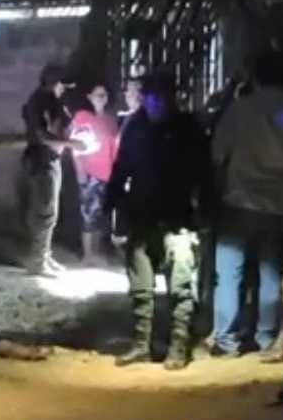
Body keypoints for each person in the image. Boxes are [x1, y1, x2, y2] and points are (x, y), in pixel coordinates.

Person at [210, 51, 283, 357]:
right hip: (280, 205)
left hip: (238, 202)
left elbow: (218, 155)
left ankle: (226, 339)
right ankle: (267, 336)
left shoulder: (238, 110)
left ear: (255, 77)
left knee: (229, 274)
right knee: (270, 274)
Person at [106, 77, 211, 370]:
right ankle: (142, 344)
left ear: (172, 99)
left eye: (161, 99)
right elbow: (121, 168)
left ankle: (179, 345)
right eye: (151, 99)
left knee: (181, 286)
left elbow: (204, 173)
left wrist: (205, 211)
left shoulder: (188, 127)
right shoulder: (136, 126)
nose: (156, 105)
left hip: (178, 219)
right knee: (141, 288)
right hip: (143, 217)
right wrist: (112, 203)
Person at [20, 65, 82, 277]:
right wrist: (73, 144)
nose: (65, 89)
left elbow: (61, 124)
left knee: (50, 211)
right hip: (41, 160)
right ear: (54, 82)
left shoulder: (51, 100)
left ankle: (44, 255)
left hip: (50, 159)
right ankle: (38, 261)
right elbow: (41, 136)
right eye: (63, 85)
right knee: (44, 211)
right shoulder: (38, 101)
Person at [68, 84, 120, 266]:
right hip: (90, 173)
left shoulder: (110, 120)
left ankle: (96, 251)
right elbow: (75, 146)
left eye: (104, 95)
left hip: (108, 172)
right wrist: (80, 172)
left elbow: (115, 147)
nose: (102, 98)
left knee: (101, 213)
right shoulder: (82, 118)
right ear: (89, 97)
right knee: (88, 212)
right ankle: (87, 254)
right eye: (98, 95)